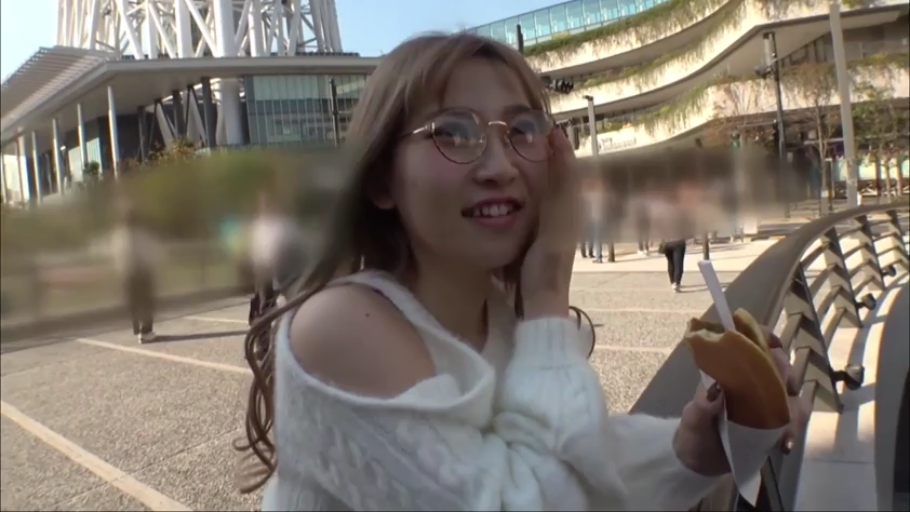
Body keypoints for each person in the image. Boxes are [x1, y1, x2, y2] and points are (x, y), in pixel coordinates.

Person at [236, 33, 808, 511]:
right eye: (452, 132)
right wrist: (550, 282)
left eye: (521, 132)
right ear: (382, 179)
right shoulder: (343, 326)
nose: (500, 165)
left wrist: (695, 446)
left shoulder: (497, 319)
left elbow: (569, 462)